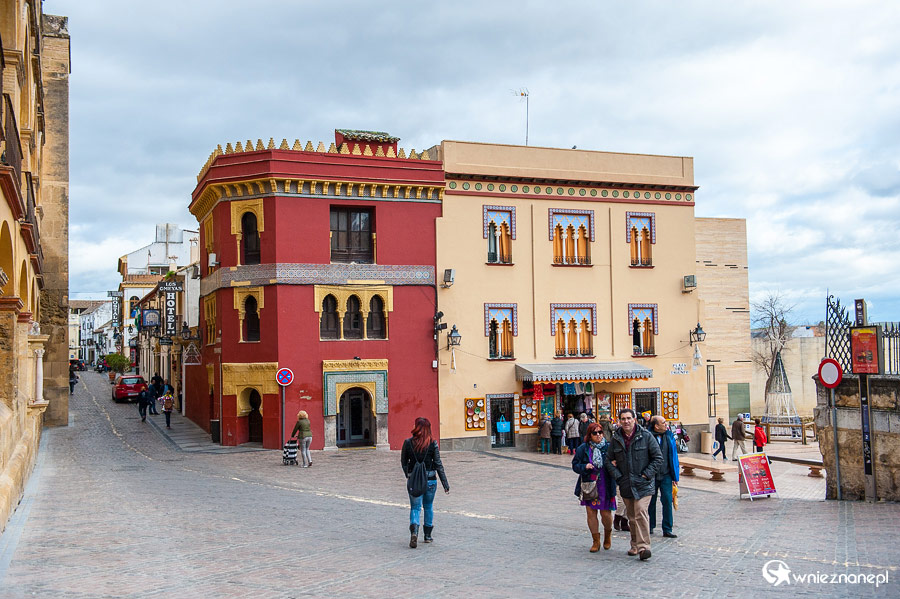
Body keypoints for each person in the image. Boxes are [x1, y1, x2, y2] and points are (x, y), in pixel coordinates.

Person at [605, 408, 663, 561]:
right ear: (619, 421)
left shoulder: (646, 436)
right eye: (623, 419)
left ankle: (644, 547)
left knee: (640, 511)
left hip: (643, 484)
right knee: (631, 516)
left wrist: (646, 475)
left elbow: (658, 458)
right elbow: (608, 460)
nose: (626, 421)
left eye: (629, 418)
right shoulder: (616, 439)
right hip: (626, 484)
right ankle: (635, 545)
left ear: (634, 420)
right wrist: (618, 477)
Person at [400, 417, 449, 548]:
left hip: (415, 481)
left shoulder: (408, 443)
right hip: (430, 480)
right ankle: (427, 536)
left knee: (415, 507)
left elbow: (404, 462)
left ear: (417, 427)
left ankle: (414, 532)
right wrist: (445, 483)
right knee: (428, 506)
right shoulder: (433, 443)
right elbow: (438, 464)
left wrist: (409, 475)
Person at [572, 422, 617, 552]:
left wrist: (615, 464)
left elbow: (618, 461)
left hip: (605, 484)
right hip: (589, 484)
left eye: (600, 432)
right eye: (595, 433)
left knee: (606, 513)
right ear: (589, 435)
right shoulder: (583, 448)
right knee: (591, 512)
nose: (598, 435)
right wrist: (584, 466)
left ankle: (607, 534)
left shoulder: (609, 447)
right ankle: (595, 540)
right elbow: (575, 465)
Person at [648, 416, 679, 538]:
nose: (666, 424)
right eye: (663, 422)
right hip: (652, 475)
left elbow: (674, 456)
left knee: (667, 500)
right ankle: (650, 526)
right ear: (656, 426)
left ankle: (667, 528)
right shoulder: (648, 436)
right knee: (651, 501)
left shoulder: (669, 436)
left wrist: (675, 476)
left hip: (666, 474)